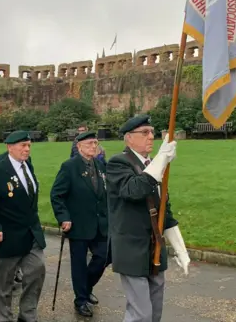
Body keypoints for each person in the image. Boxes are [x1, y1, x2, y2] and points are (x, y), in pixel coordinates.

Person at [106, 115, 190, 322]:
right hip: (132, 249)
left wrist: (181, 250)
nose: (151, 136)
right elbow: (134, 190)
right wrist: (162, 159)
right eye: (144, 133)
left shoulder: (155, 166)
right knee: (140, 314)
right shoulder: (118, 163)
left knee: (155, 313)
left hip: (155, 248)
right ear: (129, 138)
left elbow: (164, 213)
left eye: (152, 131)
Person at [0, 130, 46, 322]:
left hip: (30, 235)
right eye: (23, 146)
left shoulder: (28, 166)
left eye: (29, 146)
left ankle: (27, 315)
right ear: (9, 147)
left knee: (37, 271)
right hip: (6, 237)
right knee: (3, 284)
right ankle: (3, 317)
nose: (27, 149)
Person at [50, 131, 110, 317]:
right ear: (79, 146)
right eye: (90, 143)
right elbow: (57, 194)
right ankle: (81, 300)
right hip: (78, 223)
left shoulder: (100, 164)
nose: (94, 146)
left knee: (105, 256)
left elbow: (104, 192)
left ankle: (86, 285)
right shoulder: (69, 167)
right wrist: (63, 217)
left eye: (96, 143)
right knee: (78, 263)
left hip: (100, 223)